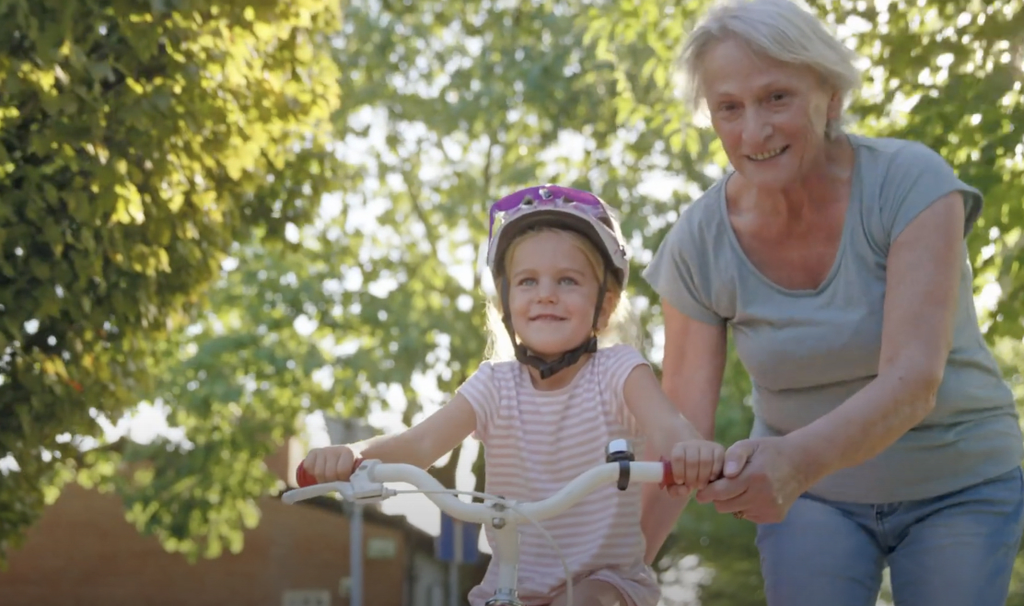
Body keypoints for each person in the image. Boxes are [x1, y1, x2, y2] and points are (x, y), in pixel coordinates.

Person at [640, 0, 1024, 604]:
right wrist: (610, 573)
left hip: (958, 482)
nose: (753, 132)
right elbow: (680, 435)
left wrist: (791, 464)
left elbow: (913, 379)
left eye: (777, 98)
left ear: (831, 95)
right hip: (812, 501)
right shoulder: (698, 242)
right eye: (729, 108)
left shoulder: (911, 183)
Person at [300, 185, 724, 606]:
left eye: (568, 280)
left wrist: (689, 452)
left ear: (605, 305)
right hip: (512, 582)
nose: (546, 294)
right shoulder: (494, 386)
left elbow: (670, 428)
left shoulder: (619, 372)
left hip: (606, 583)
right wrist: (351, 455)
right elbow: (418, 445)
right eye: (527, 281)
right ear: (505, 303)